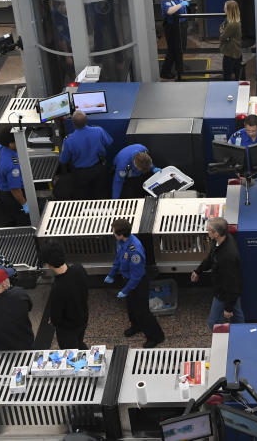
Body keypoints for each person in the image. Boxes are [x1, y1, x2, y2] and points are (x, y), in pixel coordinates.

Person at [105, 219, 163, 348]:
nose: (113, 233)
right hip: (127, 279)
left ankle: (156, 336)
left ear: (121, 234)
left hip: (137, 282)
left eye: (114, 232)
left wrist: (125, 290)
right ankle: (136, 326)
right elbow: (118, 258)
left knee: (142, 311)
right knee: (131, 306)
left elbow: (137, 276)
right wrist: (112, 273)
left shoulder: (134, 250)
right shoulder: (121, 242)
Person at [191, 217, 244, 328]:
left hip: (224, 292)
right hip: (226, 290)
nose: (206, 230)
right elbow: (211, 258)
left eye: (209, 230)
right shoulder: (220, 241)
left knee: (214, 323)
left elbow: (232, 284)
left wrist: (228, 308)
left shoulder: (227, 256)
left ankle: (232, 338)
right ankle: (240, 335)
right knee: (237, 317)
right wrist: (198, 271)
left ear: (216, 234)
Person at [40, 241, 90, 349]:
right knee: (79, 342)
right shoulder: (79, 269)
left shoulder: (57, 288)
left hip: (68, 328)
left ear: (48, 264)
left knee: (70, 351)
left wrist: (52, 319)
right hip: (83, 318)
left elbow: (56, 319)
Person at [59, 111, 113, 200]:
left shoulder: (69, 140)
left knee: (83, 198)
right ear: (86, 120)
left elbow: (63, 160)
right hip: (99, 170)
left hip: (80, 174)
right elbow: (109, 142)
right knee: (102, 195)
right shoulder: (98, 130)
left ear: (73, 123)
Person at [0, 129, 29, 225]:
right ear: (10, 144)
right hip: (11, 195)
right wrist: (25, 204)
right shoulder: (12, 165)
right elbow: (15, 189)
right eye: (17, 140)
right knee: (23, 219)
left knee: (10, 214)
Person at [160, 0, 189, 80]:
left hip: (182, 26)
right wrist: (182, 4)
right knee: (173, 50)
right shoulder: (166, 2)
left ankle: (179, 67)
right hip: (173, 28)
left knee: (181, 48)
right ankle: (165, 71)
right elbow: (170, 11)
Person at [219, 0, 242, 81]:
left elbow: (222, 37)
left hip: (231, 53)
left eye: (225, 8)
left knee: (227, 75)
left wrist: (223, 34)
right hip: (235, 52)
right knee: (236, 73)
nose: (223, 9)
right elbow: (221, 27)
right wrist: (224, 33)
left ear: (230, 10)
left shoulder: (232, 24)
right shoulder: (231, 19)